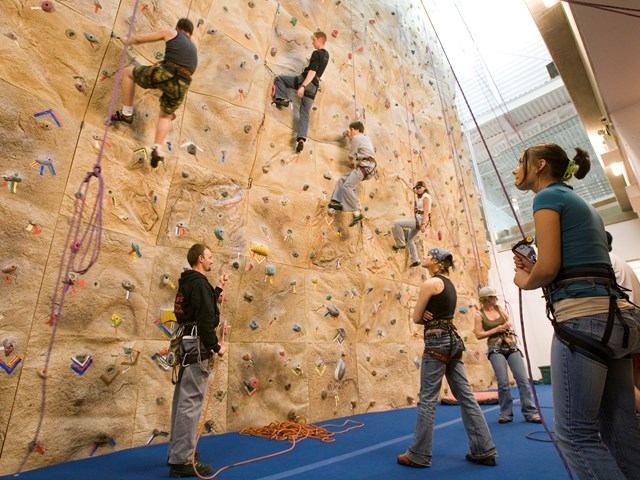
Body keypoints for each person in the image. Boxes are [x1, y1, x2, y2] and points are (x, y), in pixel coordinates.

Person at [512, 143, 640, 479]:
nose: (514, 169)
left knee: (575, 435)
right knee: (620, 429)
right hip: (616, 320)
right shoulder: (580, 203)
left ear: (539, 166)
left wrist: (524, 278)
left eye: (520, 162)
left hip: (584, 321)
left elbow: (549, 269)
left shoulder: (547, 198)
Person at [397, 248, 497, 469]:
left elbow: (416, 317)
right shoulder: (449, 285)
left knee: (428, 399)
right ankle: (484, 449)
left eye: (428, 255)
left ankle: (419, 455)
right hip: (453, 341)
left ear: (435, 261)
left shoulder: (430, 284)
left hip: (436, 341)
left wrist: (422, 315)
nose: (424, 257)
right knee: (467, 397)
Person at [168, 244, 227, 478]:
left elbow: (198, 307)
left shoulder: (188, 282)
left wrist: (218, 289)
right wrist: (216, 346)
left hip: (187, 345)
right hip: (198, 347)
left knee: (182, 399)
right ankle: (182, 459)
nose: (212, 261)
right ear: (201, 259)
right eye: (210, 257)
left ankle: (179, 451)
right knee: (190, 401)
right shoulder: (200, 283)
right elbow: (205, 320)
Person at [111, 18, 198, 168]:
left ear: (178, 27)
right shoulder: (194, 49)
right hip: (182, 85)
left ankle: (126, 114)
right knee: (165, 115)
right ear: (190, 34)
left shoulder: (172, 33)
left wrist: (125, 40)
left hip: (166, 73)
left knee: (127, 73)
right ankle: (157, 147)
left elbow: (139, 39)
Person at [474, 286, 541, 424]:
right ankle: (506, 413)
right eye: (492, 297)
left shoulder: (500, 309)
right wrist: (496, 329)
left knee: (523, 379)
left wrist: (507, 325)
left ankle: (530, 412)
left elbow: (509, 321)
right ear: (486, 299)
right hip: (495, 348)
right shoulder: (479, 315)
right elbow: (478, 334)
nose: (495, 299)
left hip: (510, 345)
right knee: (503, 382)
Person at [272, 31, 329, 153]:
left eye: (314, 40)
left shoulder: (317, 53)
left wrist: (303, 86)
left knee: (280, 79)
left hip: (306, 82)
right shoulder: (326, 55)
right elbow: (317, 73)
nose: (312, 42)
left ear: (320, 39)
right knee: (304, 113)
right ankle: (301, 139)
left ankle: (282, 98)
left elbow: (312, 71)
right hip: (314, 88)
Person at [606, 231, 640, 412]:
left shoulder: (605, 262)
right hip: (635, 321)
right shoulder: (618, 260)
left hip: (626, 322)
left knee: (622, 383)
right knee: (634, 378)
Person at [327, 121, 376, 227]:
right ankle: (336, 202)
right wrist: (349, 138)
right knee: (343, 180)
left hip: (365, 167)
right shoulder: (365, 138)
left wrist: (351, 162)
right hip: (368, 166)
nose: (350, 132)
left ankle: (357, 211)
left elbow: (351, 156)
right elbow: (358, 147)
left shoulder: (357, 138)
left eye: (351, 130)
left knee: (348, 186)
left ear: (357, 130)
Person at [392, 181, 432, 267]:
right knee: (410, 240)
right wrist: (402, 179)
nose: (417, 190)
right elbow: (411, 188)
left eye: (419, 188)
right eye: (416, 188)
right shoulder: (419, 195)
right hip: (418, 219)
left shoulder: (426, 197)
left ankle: (400, 244)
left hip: (420, 221)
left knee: (396, 224)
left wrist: (423, 224)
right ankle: (415, 260)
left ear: (424, 188)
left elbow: (426, 212)